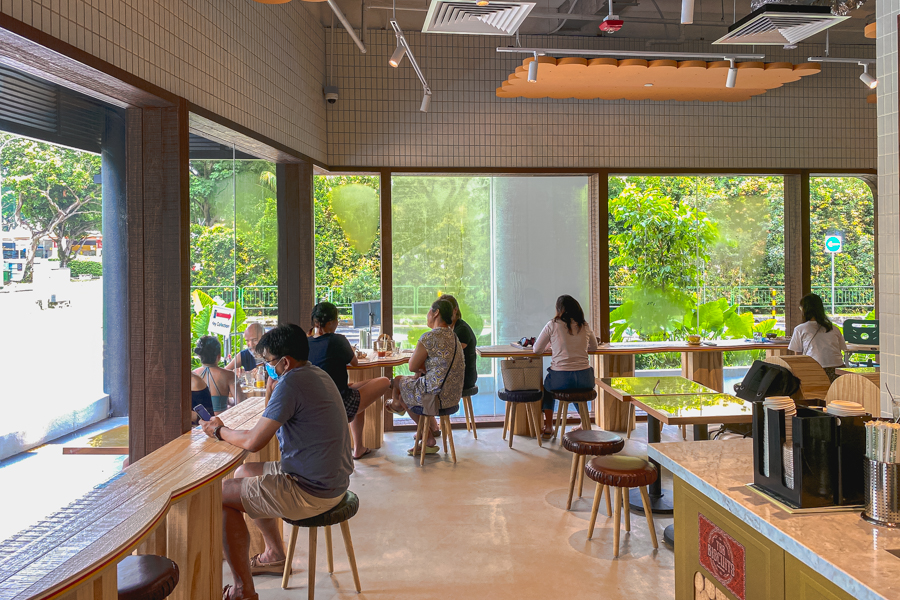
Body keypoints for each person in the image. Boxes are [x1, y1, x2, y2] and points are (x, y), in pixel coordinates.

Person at [200, 324, 353, 600]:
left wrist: (219, 431)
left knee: (222, 496)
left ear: (285, 362)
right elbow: (270, 422)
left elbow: (255, 441)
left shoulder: (292, 382)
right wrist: (272, 388)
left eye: (268, 362)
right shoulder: (316, 373)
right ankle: (274, 554)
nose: (265, 367)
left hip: (311, 489)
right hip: (331, 478)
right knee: (243, 471)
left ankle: (243, 590)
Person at [307, 302, 391, 459]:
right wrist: (350, 350)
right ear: (332, 322)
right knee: (385, 381)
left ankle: (359, 448)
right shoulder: (338, 340)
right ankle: (358, 447)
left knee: (355, 389)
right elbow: (355, 362)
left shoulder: (306, 343)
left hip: (317, 404)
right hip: (340, 403)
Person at [385, 299, 465, 455]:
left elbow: (412, 366)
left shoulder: (429, 337)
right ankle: (402, 409)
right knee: (404, 382)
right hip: (452, 397)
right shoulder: (454, 337)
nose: (427, 314)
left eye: (429, 311)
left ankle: (399, 406)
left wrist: (420, 368)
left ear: (436, 313)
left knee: (399, 383)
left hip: (435, 398)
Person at [533, 295, 598, 438]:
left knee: (548, 387)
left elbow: (537, 350)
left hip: (561, 379)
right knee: (576, 388)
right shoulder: (584, 325)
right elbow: (594, 346)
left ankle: (549, 426)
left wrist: (552, 345)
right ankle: (584, 422)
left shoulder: (552, 324)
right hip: (585, 379)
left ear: (559, 309)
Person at [789, 293, 847, 382]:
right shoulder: (834, 329)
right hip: (838, 371)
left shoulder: (800, 329)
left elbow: (798, 357)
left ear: (804, 310)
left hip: (816, 371)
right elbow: (839, 350)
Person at [193, 336, 246, 414]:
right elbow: (241, 404)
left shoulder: (193, 375)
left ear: (199, 355)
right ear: (219, 355)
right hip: (221, 422)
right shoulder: (229, 375)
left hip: (200, 423)